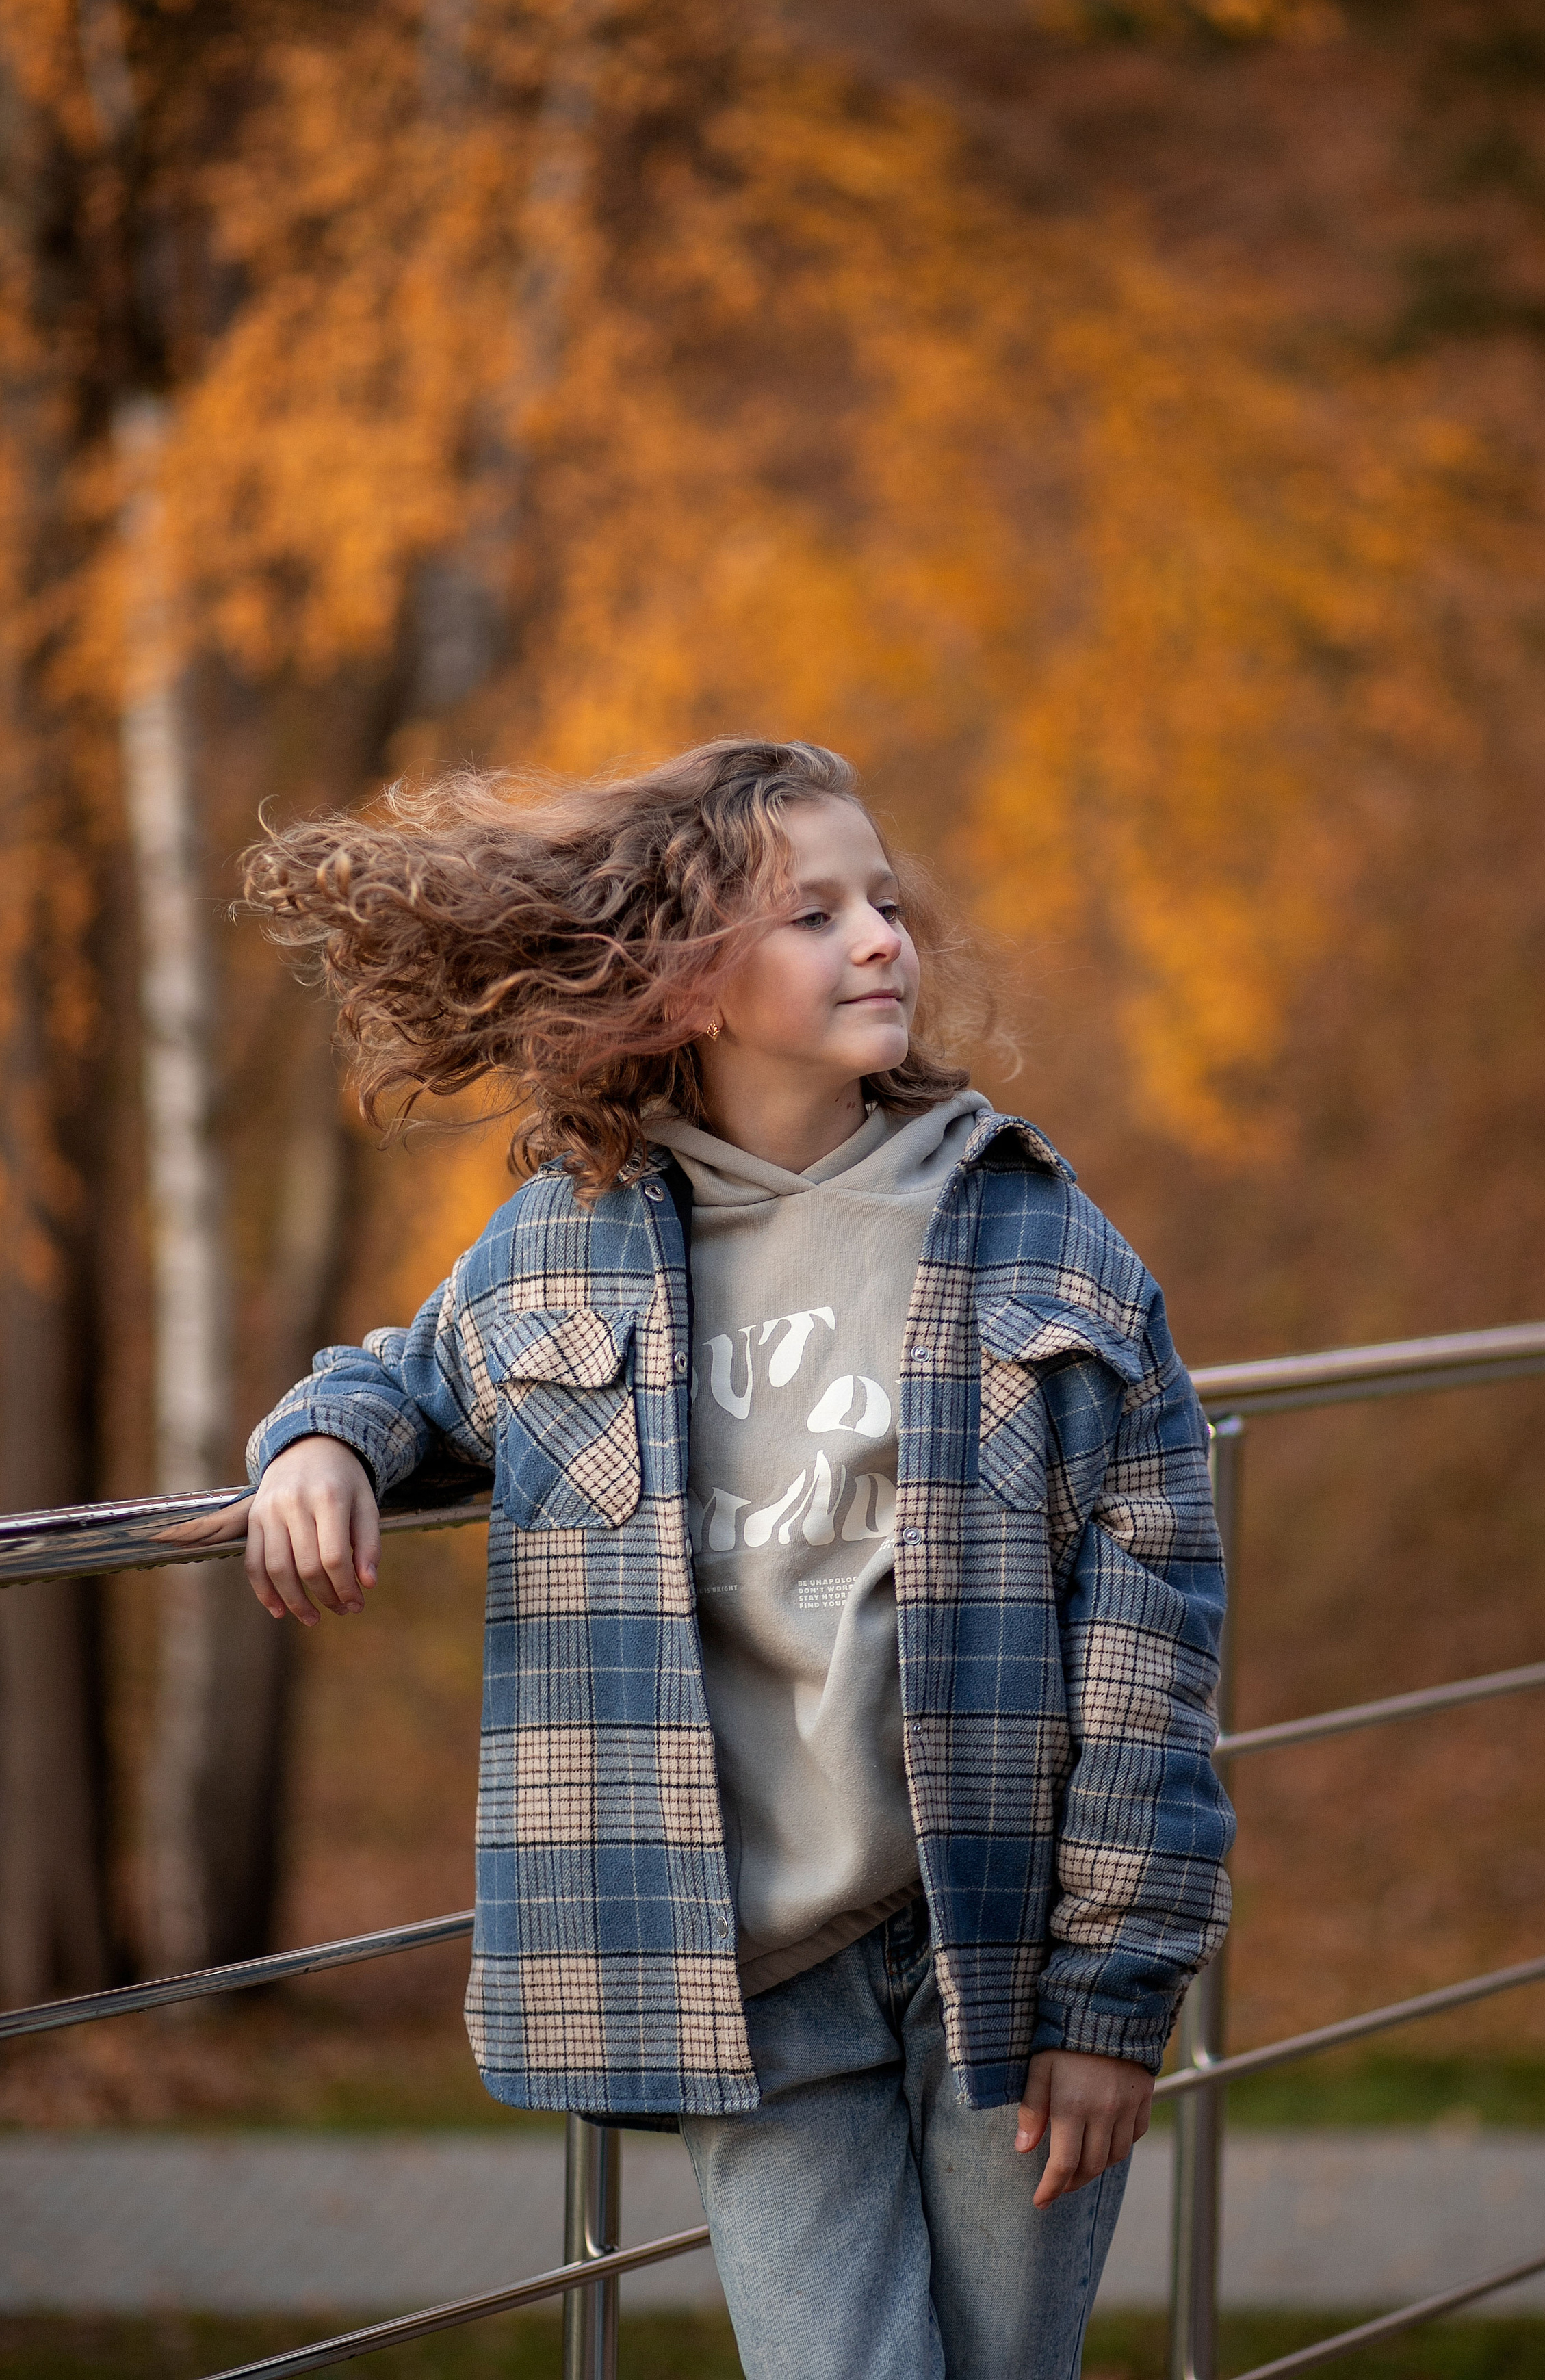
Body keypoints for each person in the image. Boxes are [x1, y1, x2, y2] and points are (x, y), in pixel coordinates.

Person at [237, 737, 1234, 2380]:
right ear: (681, 977)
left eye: (885, 903)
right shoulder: (567, 1231)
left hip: (999, 1941)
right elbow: (403, 1374)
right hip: (742, 1967)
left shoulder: (1038, 1236)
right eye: (812, 912)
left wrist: (1108, 2000)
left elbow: (1154, 1657)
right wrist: (320, 1446)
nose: (878, 939)